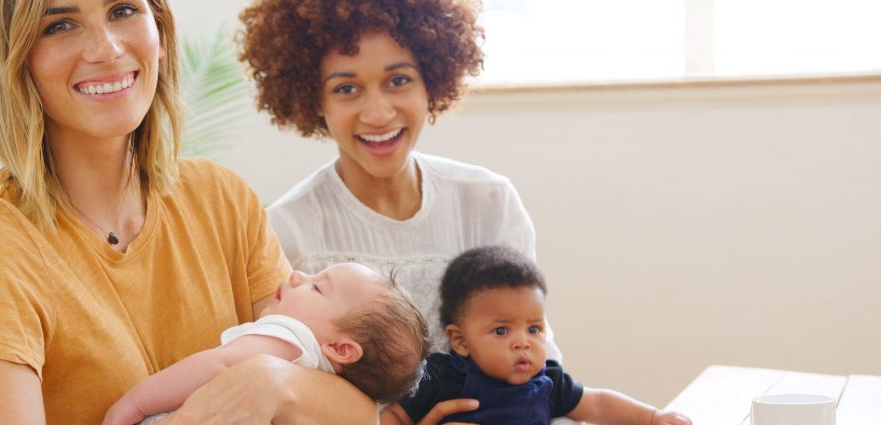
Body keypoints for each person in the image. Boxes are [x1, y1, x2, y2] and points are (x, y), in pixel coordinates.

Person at [0, 0, 382, 423]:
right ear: (12, 62)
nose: (108, 48)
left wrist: (273, 380)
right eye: (60, 25)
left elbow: (359, 415)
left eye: (122, 10)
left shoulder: (221, 199)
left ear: (159, 32)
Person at [240, 1, 562, 421]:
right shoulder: (289, 231)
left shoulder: (488, 202)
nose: (378, 113)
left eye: (398, 80)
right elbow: (282, 390)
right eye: (346, 88)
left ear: (432, 81)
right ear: (313, 99)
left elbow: (538, 356)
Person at [385, 246, 693, 425]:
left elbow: (597, 403)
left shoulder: (547, 381)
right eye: (501, 330)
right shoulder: (441, 376)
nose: (524, 342)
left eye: (534, 328)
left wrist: (654, 417)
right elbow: (396, 416)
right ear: (461, 341)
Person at [102, 263, 431, 425]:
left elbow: (220, 364)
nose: (298, 275)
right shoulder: (324, 382)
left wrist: (136, 403)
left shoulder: (291, 337)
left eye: (317, 288)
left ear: (341, 349)